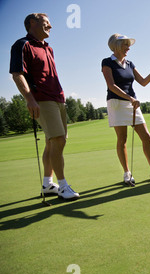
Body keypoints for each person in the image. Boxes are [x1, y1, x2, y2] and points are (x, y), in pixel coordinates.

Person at [10, 13, 80, 200]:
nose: (51, 26)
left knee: (53, 141)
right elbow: (18, 74)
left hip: (58, 98)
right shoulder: (22, 44)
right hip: (41, 98)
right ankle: (63, 186)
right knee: (58, 139)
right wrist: (29, 99)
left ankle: (48, 183)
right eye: (47, 23)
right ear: (32, 23)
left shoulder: (48, 49)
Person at [101, 34, 150, 184]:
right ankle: (127, 173)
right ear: (116, 46)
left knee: (146, 136)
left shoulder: (130, 64)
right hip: (117, 103)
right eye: (125, 45)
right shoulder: (107, 62)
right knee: (122, 139)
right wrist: (130, 98)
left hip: (132, 103)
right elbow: (111, 86)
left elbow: (144, 82)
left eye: (128, 45)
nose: (128, 48)